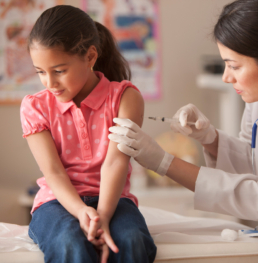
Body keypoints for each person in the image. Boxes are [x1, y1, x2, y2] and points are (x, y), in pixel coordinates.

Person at [109, 0, 258, 248]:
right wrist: (211, 139)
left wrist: (164, 162)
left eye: (234, 66)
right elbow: (254, 167)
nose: (226, 76)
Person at [20, 5, 156, 263]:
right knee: (68, 241)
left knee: (131, 240)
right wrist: (82, 211)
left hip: (114, 198)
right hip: (57, 202)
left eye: (59, 71)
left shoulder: (125, 98)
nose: (49, 83)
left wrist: (102, 215)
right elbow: (54, 172)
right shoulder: (35, 106)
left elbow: (115, 162)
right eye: (40, 72)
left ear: (91, 56)